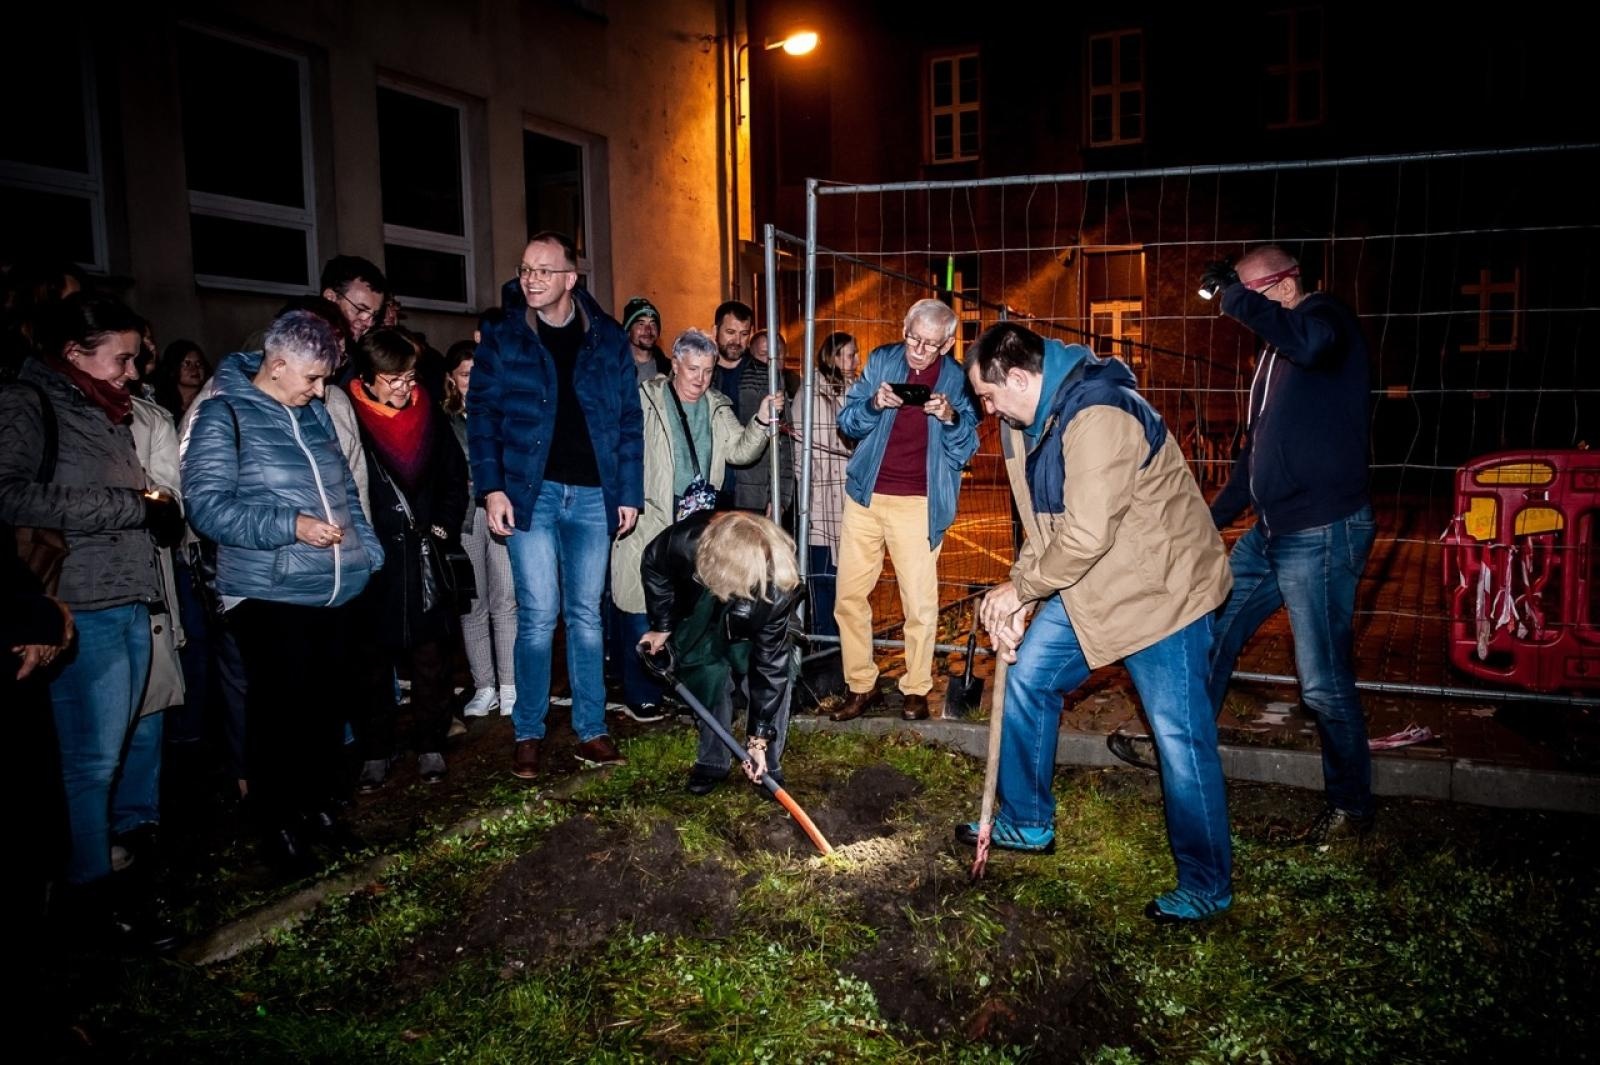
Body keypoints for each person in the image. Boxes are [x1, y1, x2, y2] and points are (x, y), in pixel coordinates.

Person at [959, 321, 1235, 924]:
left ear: (1021, 378)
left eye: (988, 396)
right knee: (1028, 678)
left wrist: (1021, 590)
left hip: (1162, 591)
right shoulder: (1024, 424)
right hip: (1091, 584)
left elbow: (1086, 533)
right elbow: (1042, 526)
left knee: (1180, 740)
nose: (986, 410)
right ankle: (1027, 820)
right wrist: (1021, 596)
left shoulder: (1102, 412)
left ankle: (1206, 884)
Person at [1108, 246, 1377, 845]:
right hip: (1271, 532)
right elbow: (1254, 457)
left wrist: (1233, 295)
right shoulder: (1275, 353)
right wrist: (1207, 521)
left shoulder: (1325, 321)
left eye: (1249, 297)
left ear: (1284, 286)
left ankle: (1351, 808)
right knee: (1211, 634)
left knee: (1322, 683)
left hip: (1322, 532)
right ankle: (1179, 748)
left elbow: (1313, 344)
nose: (1237, 309)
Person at [0, 294, 183, 949]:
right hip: (79, 606)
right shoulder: (28, 402)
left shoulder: (105, 406)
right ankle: (89, 899)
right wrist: (130, 505)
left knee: (128, 746)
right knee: (91, 762)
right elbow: (10, 494)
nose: (134, 371)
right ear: (74, 351)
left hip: (130, 595)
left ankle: (123, 878)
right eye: (122, 358)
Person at [182, 310, 383, 873]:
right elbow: (206, 507)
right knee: (279, 716)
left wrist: (367, 551)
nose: (320, 391)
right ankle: (279, 829)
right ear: (276, 365)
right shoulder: (222, 413)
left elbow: (345, 489)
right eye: (312, 378)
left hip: (333, 588)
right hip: (268, 592)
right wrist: (290, 525)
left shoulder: (312, 413)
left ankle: (320, 811)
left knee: (325, 711)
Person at [469, 231, 642, 778]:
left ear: (570, 278)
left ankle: (592, 729)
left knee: (586, 616)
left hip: (592, 494)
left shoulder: (607, 337)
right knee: (538, 614)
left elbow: (628, 420)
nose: (531, 279)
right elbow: (482, 416)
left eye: (544, 270)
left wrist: (628, 493)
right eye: (526, 269)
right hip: (531, 493)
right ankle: (528, 731)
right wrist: (492, 488)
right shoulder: (504, 335)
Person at [610, 328, 781, 722]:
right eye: (692, 369)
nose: (700, 379)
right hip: (651, 512)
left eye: (707, 370)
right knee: (639, 598)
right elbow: (622, 450)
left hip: (696, 522)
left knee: (687, 606)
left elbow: (740, 452)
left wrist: (760, 420)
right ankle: (642, 694)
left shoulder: (717, 406)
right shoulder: (645, 399)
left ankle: (680, 687)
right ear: (675, 364)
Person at [830, 299, 979, 722]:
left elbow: (967, 446)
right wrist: (874, 405)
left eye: (930, 344)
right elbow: (847, 422)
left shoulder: (957, 379)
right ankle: (861, 685)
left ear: (947, 344)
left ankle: (915, 689)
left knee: (919, 604)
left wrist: (950, 417)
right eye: (913, 338)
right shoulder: (882, 361)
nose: (918, 350)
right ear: (904, 328)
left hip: (918, 503)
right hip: (866, 495)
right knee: (849, 597)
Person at [345, 329, 469, 788]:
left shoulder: (428, 414)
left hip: (422, 555)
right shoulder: (348, 417)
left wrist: (442, 527)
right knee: (370, 663)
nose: (403, 387)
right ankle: (376, 749)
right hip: (373, 558)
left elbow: (454, 478)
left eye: (409, 377)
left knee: (431, 657)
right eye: (392, 379)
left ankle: (431, 743)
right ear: (366, 378)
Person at [640, 511, 803, 794]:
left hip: (753, 610)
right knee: (705, 671)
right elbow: (654, 563)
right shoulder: (684, 541)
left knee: (776, 674)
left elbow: (770, 666)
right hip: (701, 604)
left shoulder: (777, 586)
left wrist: (758, 739)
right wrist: (662, 626)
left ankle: (766, 763)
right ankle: (713, 759)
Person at [443, 339, 517, 720]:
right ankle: (484, 685)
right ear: (451, 379)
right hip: (465, 518)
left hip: (501, 514)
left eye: (478, 373)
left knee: (506, 600)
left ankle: (510, 686)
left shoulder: (503, 413)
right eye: (465, 374)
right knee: (473, 605)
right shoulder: (444, 421)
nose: (473, 381)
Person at [794, 331, 858, 640]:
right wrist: (807, 495)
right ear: (832, 357)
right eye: (849, 354)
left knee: (851, 582)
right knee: (822, 580)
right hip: (819, 501)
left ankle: (846, 646)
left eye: (855, 354)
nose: (855, 360)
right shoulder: (810, 392)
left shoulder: (856, 391)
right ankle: (823, 646)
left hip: (849, 499)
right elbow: (800, 452)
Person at [729, 329, 799, 522]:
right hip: (737, 495)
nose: (770, 363)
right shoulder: (741, 385)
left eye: (777, 356)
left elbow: (786, 448)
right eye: (763, 356)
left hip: (762, 499)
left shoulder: (786, 386)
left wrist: (781, 498)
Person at [151, 339, 210, 421]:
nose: (195, 369)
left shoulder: (209, 400)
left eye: (199, 363)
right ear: (173, 368)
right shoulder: (157, 402)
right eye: (187, 363)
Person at [621, 296, 671, 383]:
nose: (648, 330)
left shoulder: (670, 370)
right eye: (641, 324)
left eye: (653, 324)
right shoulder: (615, 369)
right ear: (628, 331)